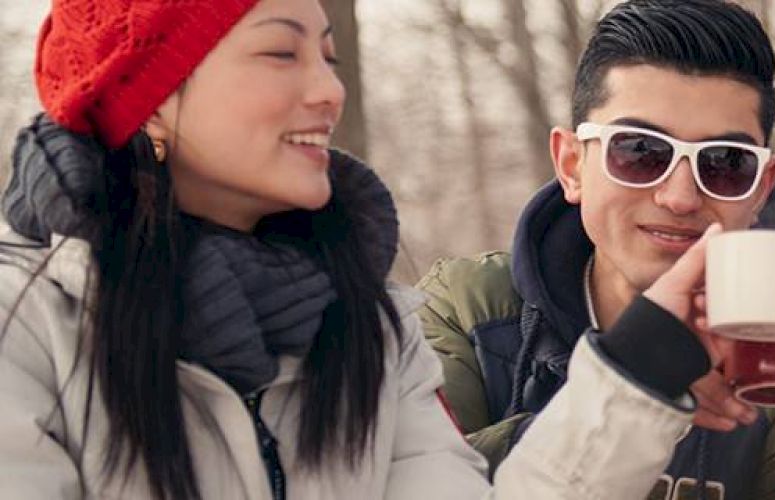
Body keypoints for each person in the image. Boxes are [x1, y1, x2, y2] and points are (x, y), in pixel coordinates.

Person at [0, 0, 723, 498]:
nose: (328, 90)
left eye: (329, 55)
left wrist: (640, 365)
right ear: (149, 93)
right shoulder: (27, 327)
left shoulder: (366, 328)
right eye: (281, 52)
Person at [419, 1, 775, 499]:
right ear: (571, 165)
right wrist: (638, 379)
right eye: (639, 152)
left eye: (726, 163)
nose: (679, 197)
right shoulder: (467, 309)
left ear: (762, 186)